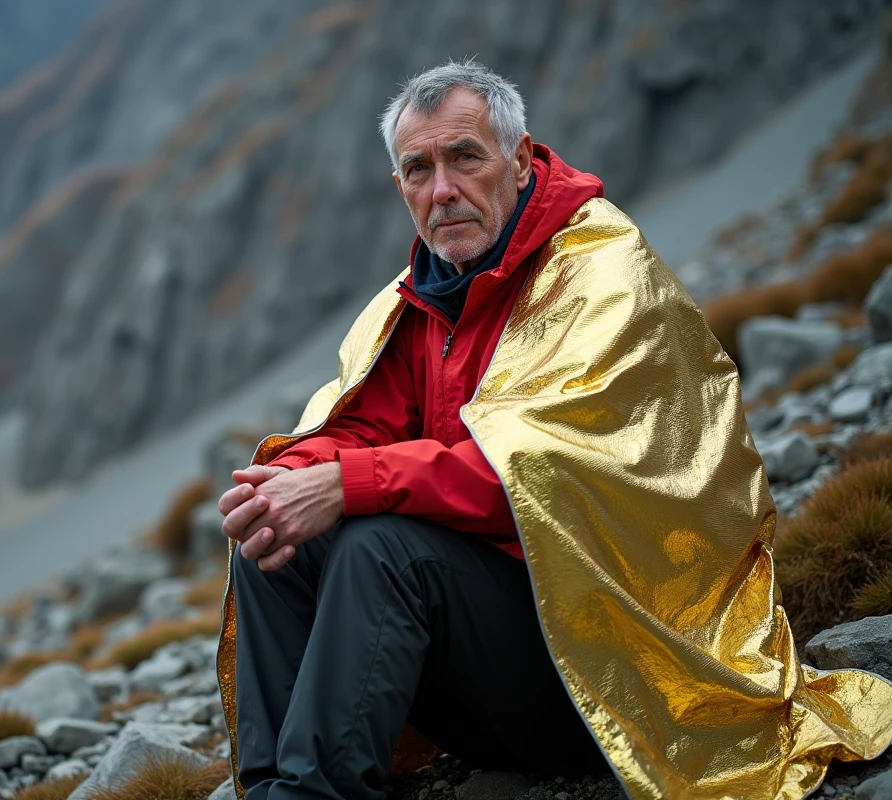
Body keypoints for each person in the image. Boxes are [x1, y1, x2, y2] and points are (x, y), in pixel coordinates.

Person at [213, 60, 892, 800]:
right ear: (400, 186)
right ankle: (273, 787)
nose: (443, 190)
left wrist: (346, 484)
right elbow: (359, 425)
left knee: (382, 547)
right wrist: (287, 484)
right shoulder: (421, 301)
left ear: (520, 155)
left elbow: (532, 478)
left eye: (465, 157)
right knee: (274, 544)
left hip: (618, 675)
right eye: (418, 169)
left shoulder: (602, 274)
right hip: (498, 668)